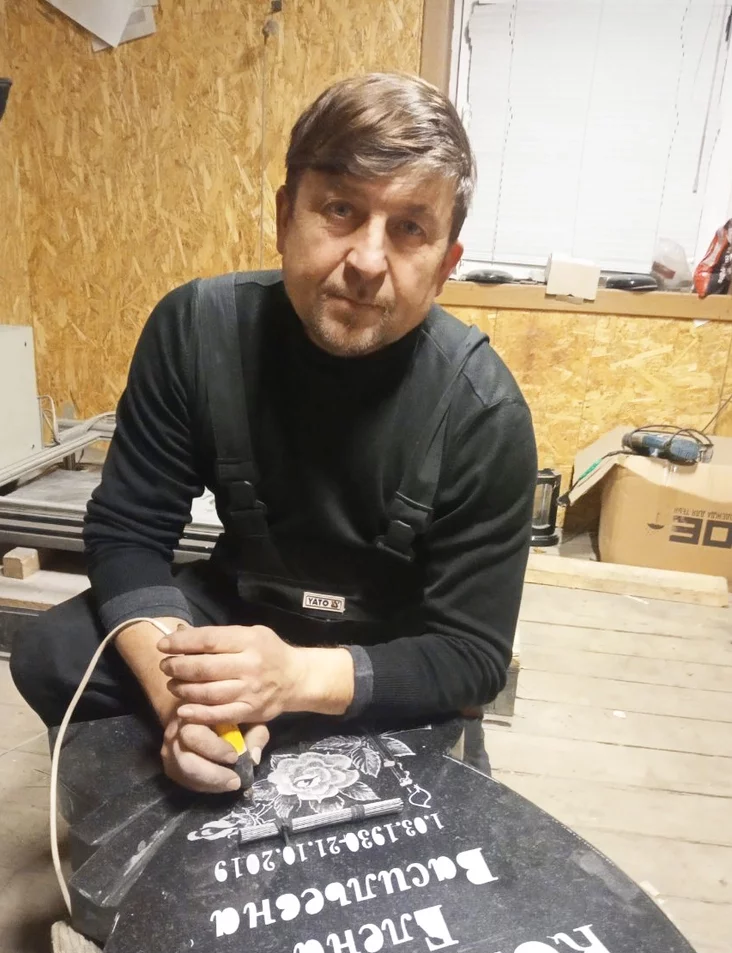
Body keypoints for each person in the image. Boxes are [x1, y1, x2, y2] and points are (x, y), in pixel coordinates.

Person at [10, 72, 537, 795]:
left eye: (410, 229)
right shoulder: (196, 332)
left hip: (386, 648)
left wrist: (293, 680)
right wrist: (187, 705)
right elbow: (129, 534)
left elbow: (472, 654)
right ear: (287, 216)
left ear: (446, 265)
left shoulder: (483, 412)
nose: (367, 261)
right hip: (238, 609)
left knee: (431, 713)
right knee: (54, 654)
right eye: (341, 210)